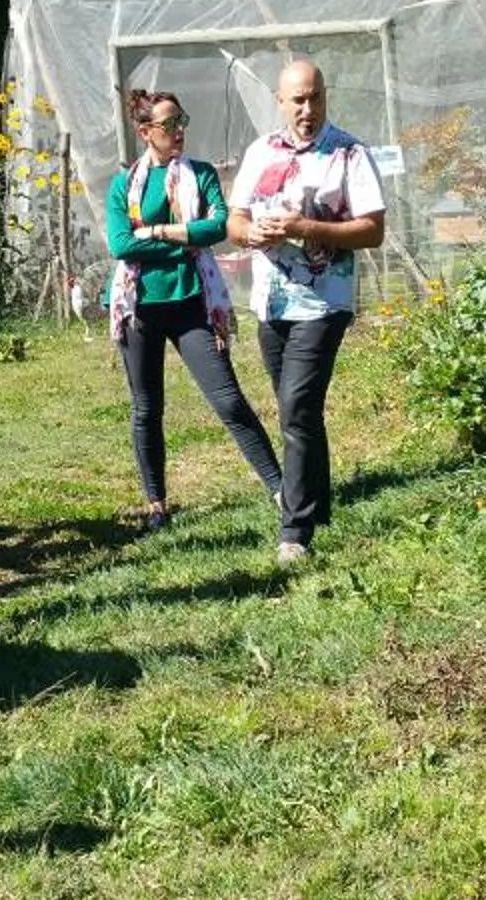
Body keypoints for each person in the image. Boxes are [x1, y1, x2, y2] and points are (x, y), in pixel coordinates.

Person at [104, 89, 283, 537]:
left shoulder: (201, 174)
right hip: (139, 306)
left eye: (182, 120)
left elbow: (217, 227)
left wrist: (161, 230)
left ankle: (283, 491)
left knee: (228, 400)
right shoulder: (124, 184)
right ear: (146, 133)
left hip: (192, 303)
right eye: (169, 124)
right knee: (147, 408)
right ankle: (157, 504)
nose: (179, 130)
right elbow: (121, 245)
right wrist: (184, 241)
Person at [229, 59, 387, 565]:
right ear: (280, 102)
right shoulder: (260, 152)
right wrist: (248, 233)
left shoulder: (349, 153)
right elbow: (235, 218)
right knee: (297, 409)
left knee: (296, 406)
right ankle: (317, 507)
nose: (308, 108)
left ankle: (294, 531)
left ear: (325, 96)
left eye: (315, 97)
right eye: (297, 99)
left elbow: (372, 229)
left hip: (323, 302)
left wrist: (306, 229)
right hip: (271, 301)